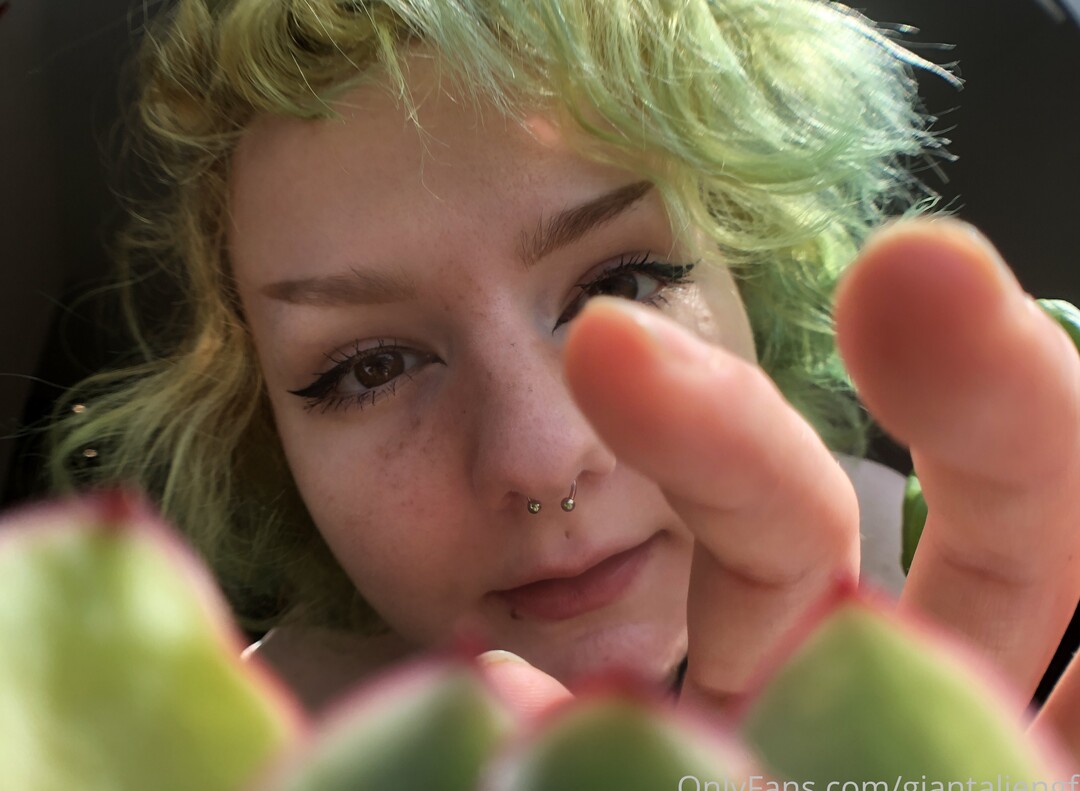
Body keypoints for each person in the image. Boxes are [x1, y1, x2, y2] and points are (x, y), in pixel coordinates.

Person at [45, 0, 1080, 733]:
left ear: (749, 264)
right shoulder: (239, 756)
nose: (540, 459)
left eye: (621, 285)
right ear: (265, 435)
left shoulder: (986, 629)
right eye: (371, 367)